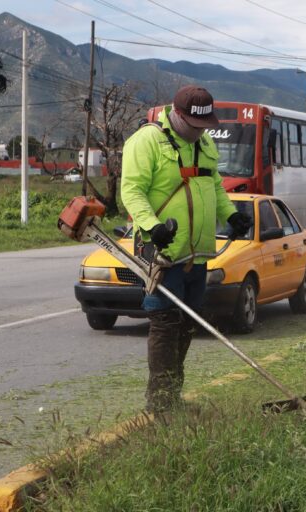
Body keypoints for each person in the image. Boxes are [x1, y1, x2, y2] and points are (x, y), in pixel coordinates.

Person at [121, 85, 251, 413]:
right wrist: (152, 227)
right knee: (165, 322)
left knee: (187, 322)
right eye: (196, 126)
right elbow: (131, 191)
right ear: (178, 116)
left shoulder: (204, 142)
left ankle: (173, 396)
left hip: (199, 253)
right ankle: (161, 404)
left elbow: (214, 187)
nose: (202, 132)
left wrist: (232, 216)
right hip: (161, 250)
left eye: (206, 125)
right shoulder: (146, 141)